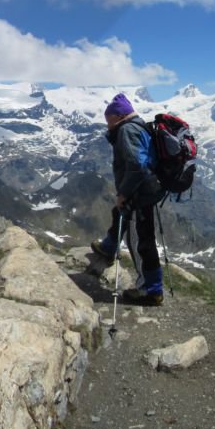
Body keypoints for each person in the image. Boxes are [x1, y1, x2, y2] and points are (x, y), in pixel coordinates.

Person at [90, 93, 166, 305]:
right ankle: (109, 247)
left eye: (108, 119)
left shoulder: (126, 130)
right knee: (119, 213)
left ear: (118, 116)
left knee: (141, 241)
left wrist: (124, 192)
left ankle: (150, 290)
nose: (107, 124)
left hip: (140, 193)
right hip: (149, 188)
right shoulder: (139, 126)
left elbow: (136, 165)